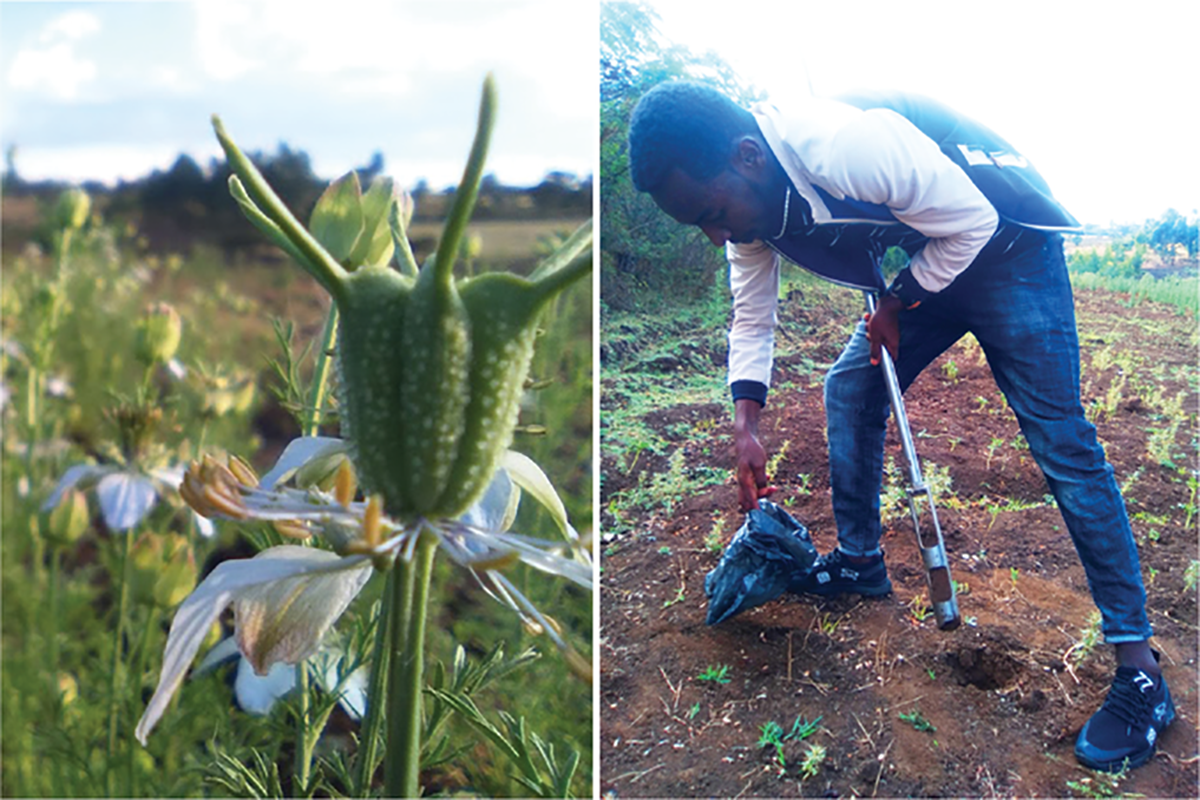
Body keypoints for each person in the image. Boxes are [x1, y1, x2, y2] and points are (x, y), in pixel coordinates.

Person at [626, 80, 1173, 773]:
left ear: (747, 156)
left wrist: (898, 299)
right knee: (850, 387)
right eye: (697, 224)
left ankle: (1139, 669)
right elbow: (753, 315)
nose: (715, 233)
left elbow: (971, 221)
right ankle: (859, 564)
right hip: (933, 262)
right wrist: (746, 423)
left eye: (712, 212)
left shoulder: (843, 145)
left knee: (1061, 441)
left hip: (1006, 251)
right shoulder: (749, 212)